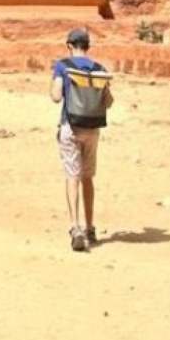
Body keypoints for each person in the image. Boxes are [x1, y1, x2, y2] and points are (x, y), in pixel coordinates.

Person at [50, 28, 114, 252]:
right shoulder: (99, 69)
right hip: (92, 129)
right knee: (88, 177)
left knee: (72, 177)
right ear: (87, 46)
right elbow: (108, 102)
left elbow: (56, 96)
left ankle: (75, 227)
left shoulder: (63, 66)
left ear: (69, 45)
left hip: (71, 126)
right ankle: (90, 228)